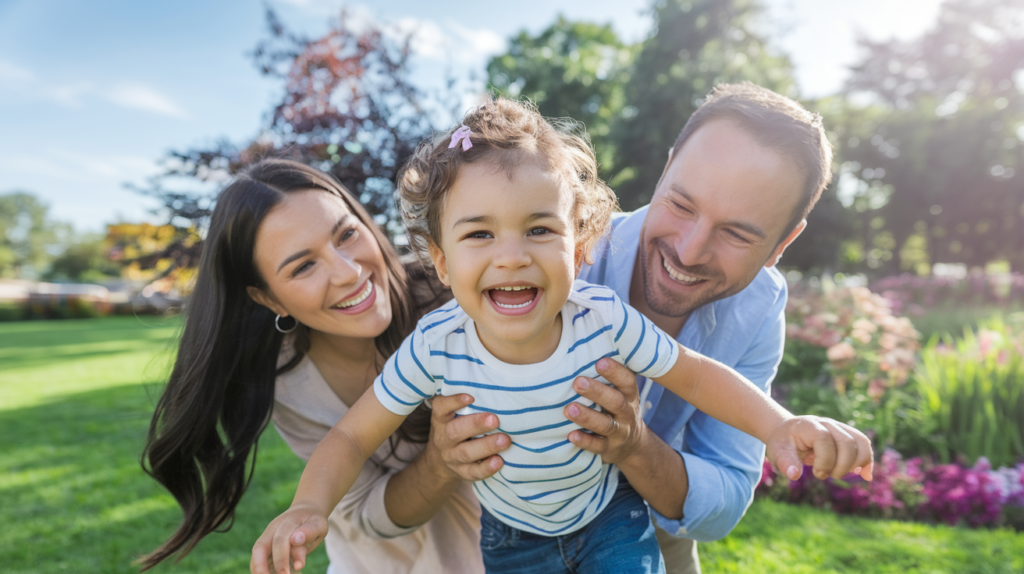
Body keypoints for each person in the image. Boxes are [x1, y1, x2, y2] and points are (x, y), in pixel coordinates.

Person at [253, 99, 873, 574]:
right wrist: (308, 505)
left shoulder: (599, 316)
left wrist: (778, 425)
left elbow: (694, 375)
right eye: (479, 236)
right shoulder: (435, 344)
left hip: (614, 520)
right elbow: (351, 434)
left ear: (578, 247)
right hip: (510, 534)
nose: (513, 257)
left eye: (539, 231)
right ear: (440, 263)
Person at [431, 83, 866, 574]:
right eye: (681, 205)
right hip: (521, 532)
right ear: (665, 170)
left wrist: (636, 446)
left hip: (651, 535)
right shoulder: (554, 258)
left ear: (783, 243)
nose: (689, 250)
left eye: (737, 233)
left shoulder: (759, 308)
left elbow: (721, 502)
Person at [139, 160, 485, 574]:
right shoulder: (289, 383)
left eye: (347, 234)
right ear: (270, 299)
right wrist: (440, 462)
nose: (349, 272)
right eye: (304, 266)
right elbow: (365, 516)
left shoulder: (457, 296)